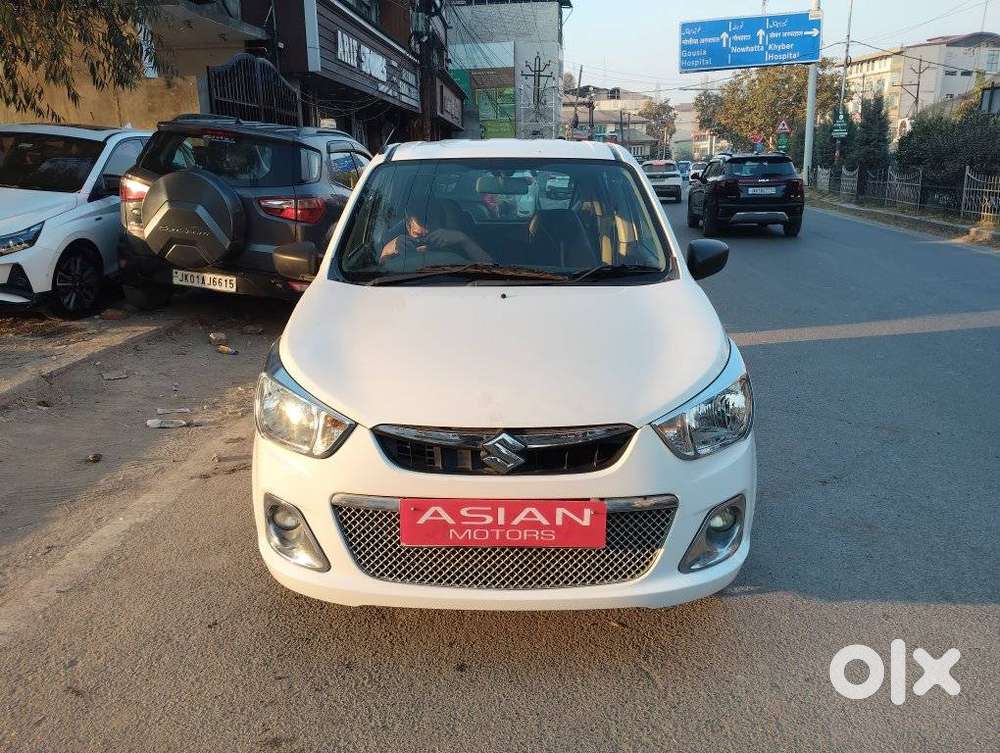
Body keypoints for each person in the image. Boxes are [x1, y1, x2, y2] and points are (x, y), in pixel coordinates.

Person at [379, 203, 492, 264]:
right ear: (408, 227)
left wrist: (463, 240)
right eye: (419, 235)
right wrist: (387, 251)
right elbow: (378, 276)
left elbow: (491, 270)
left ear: (443, 226)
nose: (428, 238)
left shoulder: (460, 244)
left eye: (433, 233)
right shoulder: (400, 246)